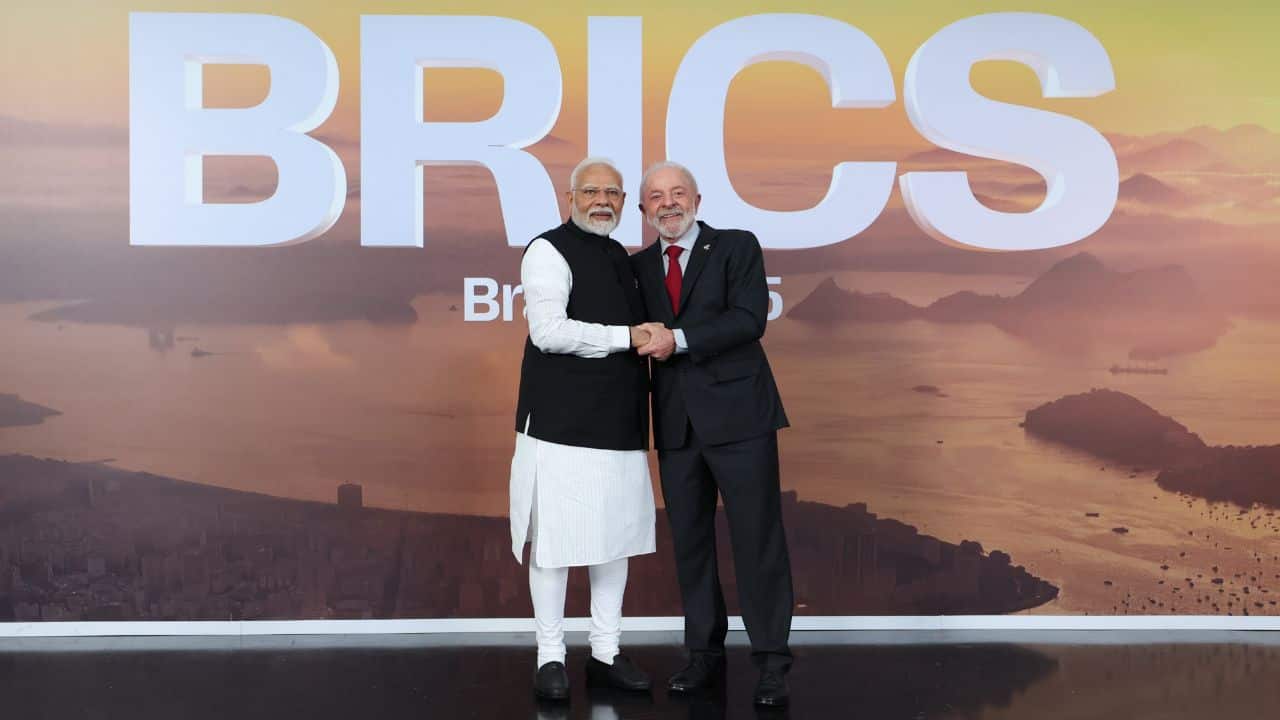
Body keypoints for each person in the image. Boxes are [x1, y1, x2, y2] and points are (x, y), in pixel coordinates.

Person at [630, 162, 794, 707]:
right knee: (692, 548)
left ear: (698, 199)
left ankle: (772, 663)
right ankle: (704, 657)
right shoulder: (638, 268)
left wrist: (675, 339)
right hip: (677, 425)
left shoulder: (736, 246)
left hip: (741, 418)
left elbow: (750, 320)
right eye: (656, 196)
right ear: (643, 209)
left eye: (678, 193)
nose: (668, 203)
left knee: (758, 541)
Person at [509, 157, 656, 701]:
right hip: (558, 422)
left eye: (613, 193)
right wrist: (629, 338)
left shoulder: (621, 255)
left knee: (613, 542)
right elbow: (548, 332)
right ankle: (550, 657)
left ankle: (606, 651)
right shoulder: (547, 249)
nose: (602, 200)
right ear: (569, 198)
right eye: (590, 190)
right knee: (554, 544)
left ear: (623, 202)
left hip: (618, 420)